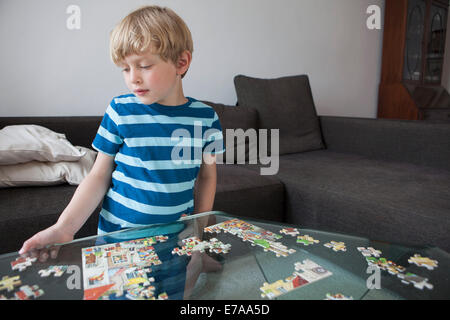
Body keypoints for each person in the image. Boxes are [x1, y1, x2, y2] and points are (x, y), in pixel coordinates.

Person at [19, 5, 224, 262]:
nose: (133, 78)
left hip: (175, 239)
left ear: (181, 63)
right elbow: (98, 174)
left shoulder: (206, 118)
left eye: (144, 66)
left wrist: (199, 226)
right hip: (118, 239)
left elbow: (207, 177)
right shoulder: (120, 110)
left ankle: (203, 265)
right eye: (125, 69)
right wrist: (64, 227)